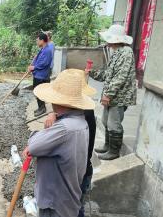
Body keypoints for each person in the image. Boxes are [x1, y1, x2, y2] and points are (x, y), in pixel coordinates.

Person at [22, 70, 95, 217]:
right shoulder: (81, 121)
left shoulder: (64, 128)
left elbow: (34, 146)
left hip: (55, 202)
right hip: (66, 198)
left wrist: (45, 129)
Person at [44, 69, 97, 217]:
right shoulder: (84, 111)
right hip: (82, 169)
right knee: (76, 208)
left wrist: (54, 118)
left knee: (72, 210)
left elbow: (44, 144)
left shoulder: (77, 118)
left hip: (74, 174)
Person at [87, 24, 137, 160]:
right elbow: (107, 75)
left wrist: (108, 94)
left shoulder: (126, 52)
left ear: (115, 39)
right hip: (112, 95)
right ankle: (107, 146)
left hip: (119, 96)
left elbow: (121, 76)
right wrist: (91, 73)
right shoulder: (116, 52)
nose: (107, 42)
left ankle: (114, 151)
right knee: (105, 120)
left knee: (113, 123)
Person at [28, 32, 53, 117]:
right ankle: (40, 107)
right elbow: (39, 60)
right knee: (36, 92)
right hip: (38, 75)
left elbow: (44, 63)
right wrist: (33, 65)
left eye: (37, 40)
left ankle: (42, 108)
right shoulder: (43, 49)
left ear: (42, 40)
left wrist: (34, 67)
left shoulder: (47, 50)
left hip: (42, 76)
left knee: (39, 93)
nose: (37, 42)